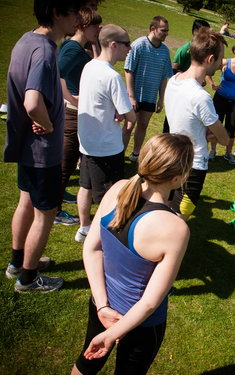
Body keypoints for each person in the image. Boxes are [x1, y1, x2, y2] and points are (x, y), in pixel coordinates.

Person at [71, 133, 193, 375]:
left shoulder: (118, 188)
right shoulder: (175, 229)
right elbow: (149, 302)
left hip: (101, 303)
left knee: (85, 365)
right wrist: (115, 333)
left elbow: (92, 248)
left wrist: (103, 307)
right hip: (142, 325)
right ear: (177, 179)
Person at [3, 0, 85, 292]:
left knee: (26, 202)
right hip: (42, 152)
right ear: (57, 13)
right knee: (46, 213)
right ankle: (28, 278)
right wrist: (48, 124)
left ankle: (17, 263)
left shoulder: (26, 40)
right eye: (74, 10)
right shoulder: (46, 51)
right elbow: (32, 101)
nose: (78, 16)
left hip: (26, 147)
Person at [75, 24, 136, 243]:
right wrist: (126, 113)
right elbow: (130, 116)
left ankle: (83, 227)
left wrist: (117, 111)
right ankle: (103, 238)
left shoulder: (89, 66)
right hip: (107, 147)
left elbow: (98, 102)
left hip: (87, 142)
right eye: (127, 44)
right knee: (108, 198)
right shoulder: (112, 77)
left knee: (85, 186)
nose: (129, 49)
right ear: (113, 45)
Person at [165, 27, 229, 221]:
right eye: (219, 60)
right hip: (193, 166)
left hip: (171, 157)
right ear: (210, 59)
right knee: (179, 219)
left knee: (164, 207)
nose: (221, 66)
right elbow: (225, 139)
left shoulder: (173, 81)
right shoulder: (201, 97)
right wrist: (211, 134)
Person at [56, 7, 102, 225]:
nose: (99, 29)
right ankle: (55, 211)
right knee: (66, 163)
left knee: (68, 161)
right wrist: (72, 98)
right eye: (95, 26)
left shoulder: (77, 47)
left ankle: (57, 200)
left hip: (75, 113)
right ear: (84, 26)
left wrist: (93, 44)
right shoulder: (73, 49)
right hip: (72, 113)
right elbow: (56, 74)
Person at [123, 16, 172, 162]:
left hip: (150, 96)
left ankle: (136, 153)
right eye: (163, 31)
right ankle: (119, 156)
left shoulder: (165, 51)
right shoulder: (138, 45)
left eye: (167, 31)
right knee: (129, 125)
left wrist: (161, 98)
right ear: (153, 29)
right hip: (135, 95)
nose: (166, 34)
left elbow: (165, 76)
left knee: (143, 125)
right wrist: (131, 96)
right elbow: (128, 70)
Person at [163, 19, 210, 134]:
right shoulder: (184, 50)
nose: (207, 35)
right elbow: (173, 68)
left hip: (193, 95)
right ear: (195, 31)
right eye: (204, 32)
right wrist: (190, 79)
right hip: (180, 93)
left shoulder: (202, 51)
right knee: (171, 124)